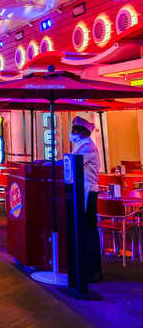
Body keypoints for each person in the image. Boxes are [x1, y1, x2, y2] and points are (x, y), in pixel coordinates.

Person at [70, 116, 102, 283]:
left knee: (89, 230)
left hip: (89, 193)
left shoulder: (87, 146)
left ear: (82, 132)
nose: (72, 133)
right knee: (85, 229)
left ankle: (94, 270)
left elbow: (72, 164)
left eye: (74, 130)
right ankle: (87, 266)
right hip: (83, 191)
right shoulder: (81, 145)